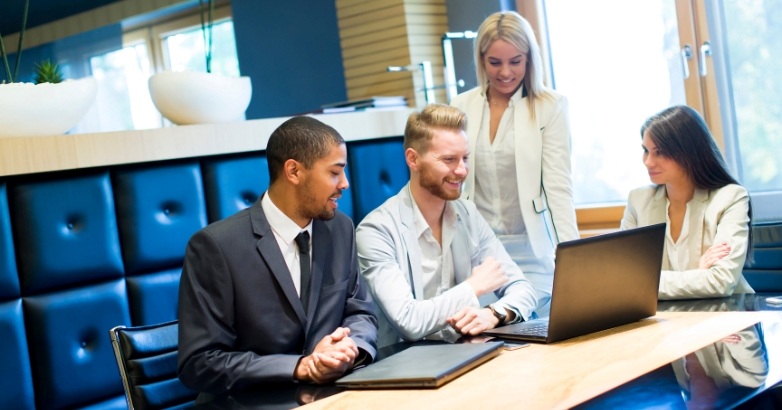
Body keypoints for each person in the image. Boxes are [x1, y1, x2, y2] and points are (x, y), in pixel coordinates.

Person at [177, 116, 378, 397]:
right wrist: (299, 367)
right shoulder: (215, 246)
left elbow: (361, 312)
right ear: (294, 171)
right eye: (335, 172)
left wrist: (348, 349)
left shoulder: (340, 228)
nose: (344, 183)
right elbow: (199, 362)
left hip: (333, 396)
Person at [356, 104, 538, 348]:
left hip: (466, 352)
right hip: (407, 365)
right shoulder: (376, 231)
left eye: (465, 158)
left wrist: (493, 313)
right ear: (413, 159)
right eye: (449, 160)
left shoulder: (468, 213)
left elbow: (522, 288)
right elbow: (409, 322)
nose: (461, 171)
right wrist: (473, 287)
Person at [450, 11, 578, 315]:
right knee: (484, 335)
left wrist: (574, 259)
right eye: (495, 62)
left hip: (532, 249)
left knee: (535, 330)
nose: (505, 72)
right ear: (482, 60)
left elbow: (559, 189)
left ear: (529, 59)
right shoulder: (461, 106)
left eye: (515, 61)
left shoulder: (550, 106)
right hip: (478, 252)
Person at [620, 105, 754, 299]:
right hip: (668, 319)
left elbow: (720, 281)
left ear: (689, 152)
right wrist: (699, 276)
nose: (648, 162)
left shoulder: (730, 197)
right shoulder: (638, 200)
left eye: (659, 152)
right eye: (645, 150)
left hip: (727, 316)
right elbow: (623, 280)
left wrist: (647, 282)